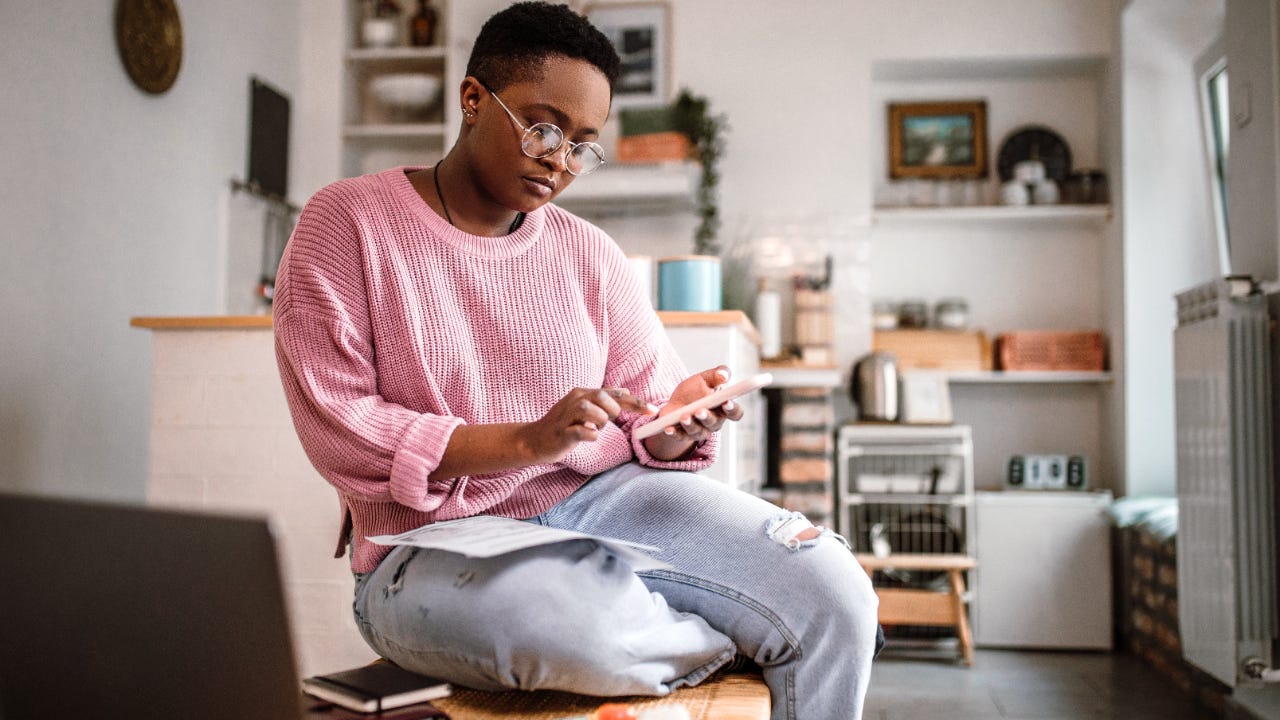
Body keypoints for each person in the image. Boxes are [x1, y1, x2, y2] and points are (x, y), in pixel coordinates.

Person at [273, 3, 879, 718]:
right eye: (543, 127)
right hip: (424, 546)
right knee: (563, 622)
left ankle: (706, 623)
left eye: (583, 144)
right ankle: (738, 634)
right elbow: (340, 426)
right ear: (473, 100)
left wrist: (677, 422)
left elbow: (648, 418)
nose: (560, 159)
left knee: (835, 591)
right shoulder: (346, 222)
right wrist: (526, 441)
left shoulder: (587, 251)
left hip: (601, 503)